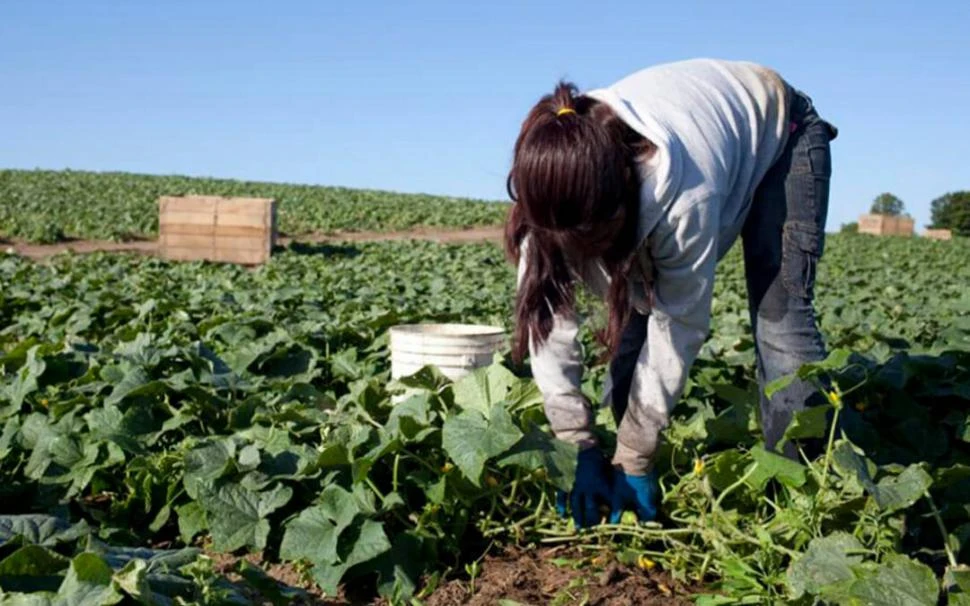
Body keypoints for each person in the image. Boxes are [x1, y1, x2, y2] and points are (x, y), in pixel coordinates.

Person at [504, 58, 838, 528]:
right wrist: (573, 442)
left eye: (593, 242)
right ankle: (614, 466)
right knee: (631, 334)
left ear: (621, 204)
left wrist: (637, 454)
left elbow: (677, 325)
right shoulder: (549, 200)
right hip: (699, 140)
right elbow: (549, 327)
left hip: (782, 136)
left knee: (780, 321)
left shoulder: (683, 197)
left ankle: (803, 500)